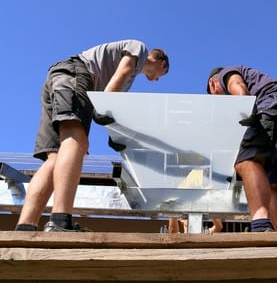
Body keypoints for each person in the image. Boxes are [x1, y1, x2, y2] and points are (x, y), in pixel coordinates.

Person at [15, 39, 169, 232]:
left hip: (60, 78)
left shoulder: (127, 80)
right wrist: (104, 110)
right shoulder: (140, 49)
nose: (157, 80)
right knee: (77, 142)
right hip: (76, 74)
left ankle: (25, 226)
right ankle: (60, 222)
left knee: (54, 158)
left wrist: (116, 137)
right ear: (162, 64)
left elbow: (108, 108)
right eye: (161, 76)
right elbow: (121, 74)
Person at [207, 66, 277, 232]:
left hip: (272, 105)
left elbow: (238, 87)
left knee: (246, 162)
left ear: (213, 83)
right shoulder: (257, 78)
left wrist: (244, 113)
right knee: (271, 185)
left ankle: (260, 224)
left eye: (216, 97)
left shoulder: (227, 74)